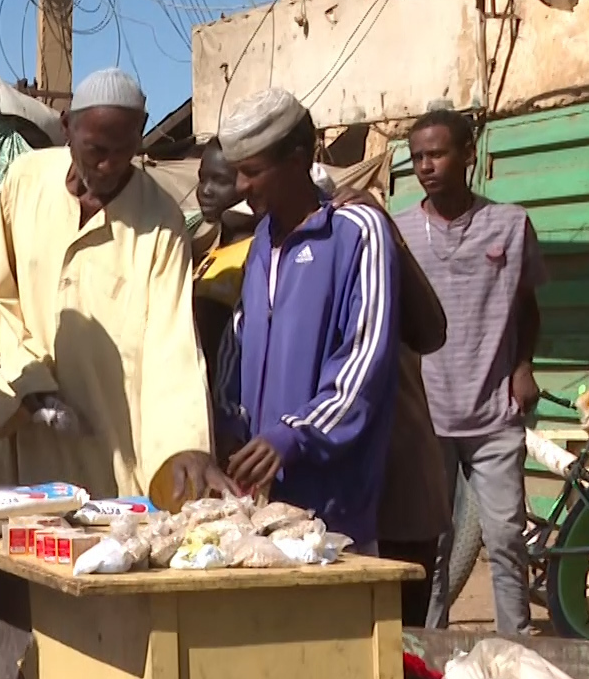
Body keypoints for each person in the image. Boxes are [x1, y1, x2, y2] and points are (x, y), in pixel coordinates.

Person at [0, 68, 227, 502]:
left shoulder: (161, 221)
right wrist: (32, 388)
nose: (109, 165)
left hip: (112, 450)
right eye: (95, 150)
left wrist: (186, 443)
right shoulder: (24, 182)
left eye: (124, 150)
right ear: (67, 129)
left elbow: (171, 343)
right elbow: (1, 301)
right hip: (28, 433)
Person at [214, 88, 401, 548]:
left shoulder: (357, 232)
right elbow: (238, 343)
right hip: (262, 511)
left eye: (253, 172)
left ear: (297, 160)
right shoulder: (260, 240)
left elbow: (364, 364)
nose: (241, 187)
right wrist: (229, 422)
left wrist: (293, 435)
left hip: (334, 514)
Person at [399, 109, 548, 634]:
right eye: (417, 157)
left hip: (493, 411)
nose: (425, 166)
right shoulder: (400, 233)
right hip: (425, 417)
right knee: (431, 544)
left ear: (468, 153)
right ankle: (425, 653)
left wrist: (523, 366)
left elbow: (527, 305)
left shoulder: (509, 224)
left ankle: (517, 649)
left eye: (436, 154)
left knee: (506, 536)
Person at [191, 138, 257, 380]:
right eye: (202, 178)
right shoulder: (205, 252)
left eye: (220, 181)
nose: (205, 190)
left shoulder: (256, 254)